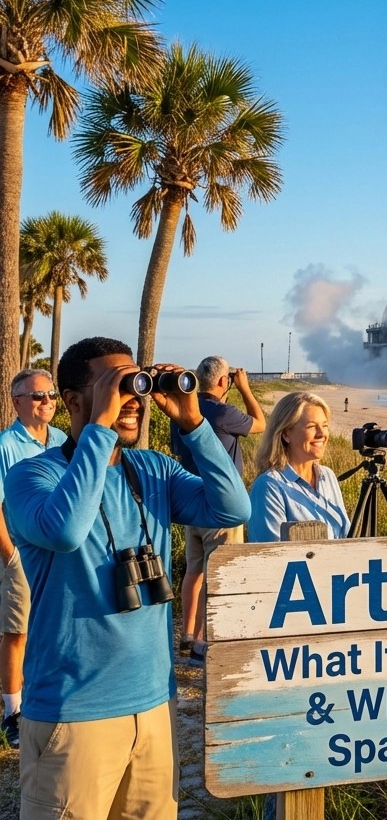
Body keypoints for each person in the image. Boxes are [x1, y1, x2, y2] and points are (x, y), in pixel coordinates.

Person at [3, 336, 250, 820]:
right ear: (73, 401)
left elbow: (232, 508)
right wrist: (99, 428)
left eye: (136, 385)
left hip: (155, 704)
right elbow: (68, 529)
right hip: (73, 713)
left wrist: (194, 422)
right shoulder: (33, 477)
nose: (132, 399)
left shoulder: (153, 469)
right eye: (115, 386)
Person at [170, 356, 266, 664]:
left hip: (190, 501)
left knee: (194, 570)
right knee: (220, 576)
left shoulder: (185, 411)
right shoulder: (224, 412)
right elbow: (260, 424)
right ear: (223, 382)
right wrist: (246, 389)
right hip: (222, 507)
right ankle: (204, 642)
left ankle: (187, 635)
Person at [0, 369, 65, 749]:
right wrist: (10, 556)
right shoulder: (7, 445)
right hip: (21, 554)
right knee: (17, 630)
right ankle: (12, 711)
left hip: (58, 552)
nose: (47, 402)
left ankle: (42, 697)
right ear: (17, 402)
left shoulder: (60, 440)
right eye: (38, 396)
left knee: (50, 625)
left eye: (52, 395)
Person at [248, 392, 350, 541]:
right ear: (285, 434)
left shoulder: (327, 476)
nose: (322, 434)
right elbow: (269, 555)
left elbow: (346, 536)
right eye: (311, 426)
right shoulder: (270, 485)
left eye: (325, 425)